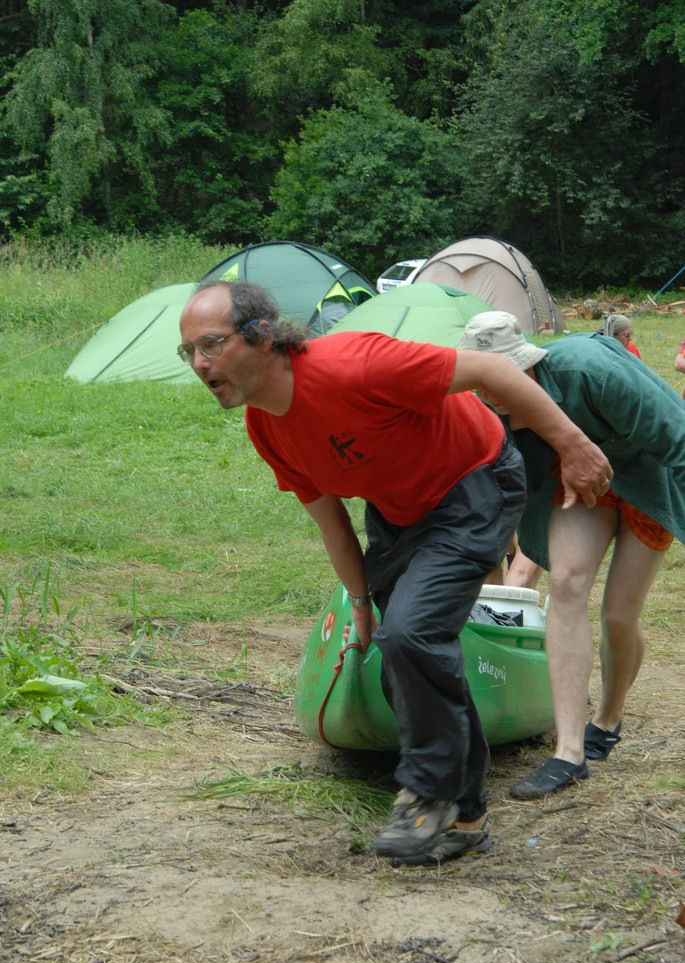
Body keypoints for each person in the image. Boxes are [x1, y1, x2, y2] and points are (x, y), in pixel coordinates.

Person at [178, 281, 611, 865]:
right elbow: (332, 520)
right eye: (189, 351)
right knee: (407, 657)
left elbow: (491, 370)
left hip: (474, 480)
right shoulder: (267, 427)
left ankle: (425, 792)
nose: (199, 364)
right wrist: (360, 602)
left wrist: (573, 446)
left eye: (211, 344)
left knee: (412, 635)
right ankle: (467, 816)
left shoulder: (352, 365)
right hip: (397, 512)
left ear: (261, 336)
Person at [459, 310, 685, 799]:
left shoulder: (591, 371)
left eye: (503, 376)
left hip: (649, 473)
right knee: (564, 582)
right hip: (579, 480)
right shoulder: (486, 412)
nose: (492, 394)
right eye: (481, 381)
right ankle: (569, 753)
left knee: (619, 616)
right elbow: (489, 489)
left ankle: (607, 718)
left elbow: (679, 439)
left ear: (527, 362)